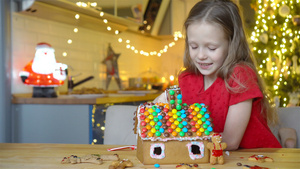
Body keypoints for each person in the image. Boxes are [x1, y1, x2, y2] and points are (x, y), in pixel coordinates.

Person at [154, 0, 283, 150]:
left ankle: (286, 135)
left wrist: (181, 139)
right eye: (193, 46)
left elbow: (231, 141)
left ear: (231, 44)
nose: (201, 55)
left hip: (256, 157)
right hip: (209, 158)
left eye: (211, 48)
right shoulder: (187, 78)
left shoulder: (240, 75)